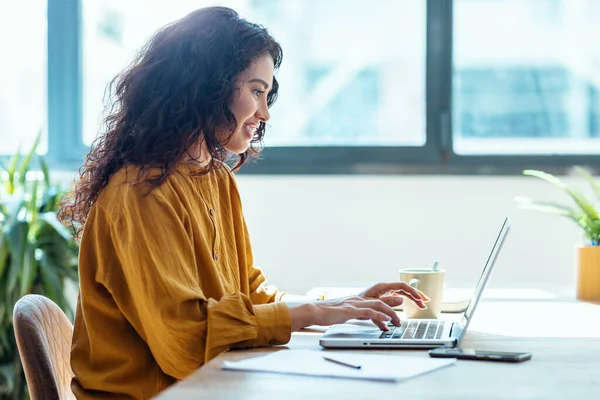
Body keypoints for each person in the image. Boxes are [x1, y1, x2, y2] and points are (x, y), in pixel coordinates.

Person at [58, 6, 429, 399]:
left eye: (267, 95)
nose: (264, 113)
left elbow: (247, 295)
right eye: (255, 91)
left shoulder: (214, 177)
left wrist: (338, 306)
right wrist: (314, 313)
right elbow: (185, 343)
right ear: (206, 87)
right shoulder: (140, 193)